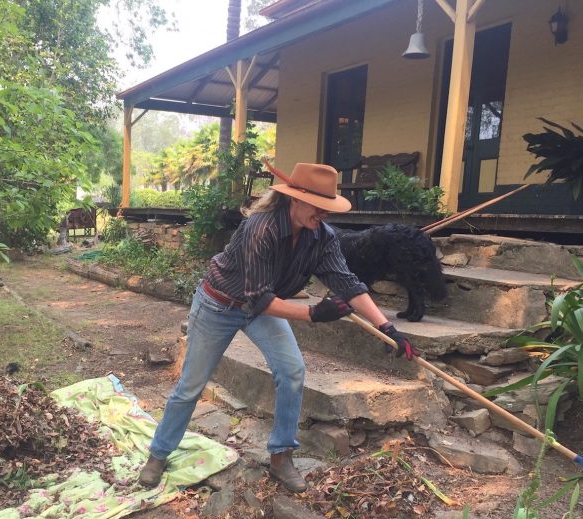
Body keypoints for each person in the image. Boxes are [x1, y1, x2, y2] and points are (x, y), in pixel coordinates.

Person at [138, 162, 415, 493]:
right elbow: (259, 298)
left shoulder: (322, 237)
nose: (323, 215)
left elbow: (348, 284)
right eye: (317, 207)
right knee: (191, 386)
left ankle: (282, 456)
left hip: (263, 307)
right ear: (294, 200)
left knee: (293, 370)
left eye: (328, 208)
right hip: (218, 305)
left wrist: (387, 327)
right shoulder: (261, 227)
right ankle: (159, 453)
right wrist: (314, 313)